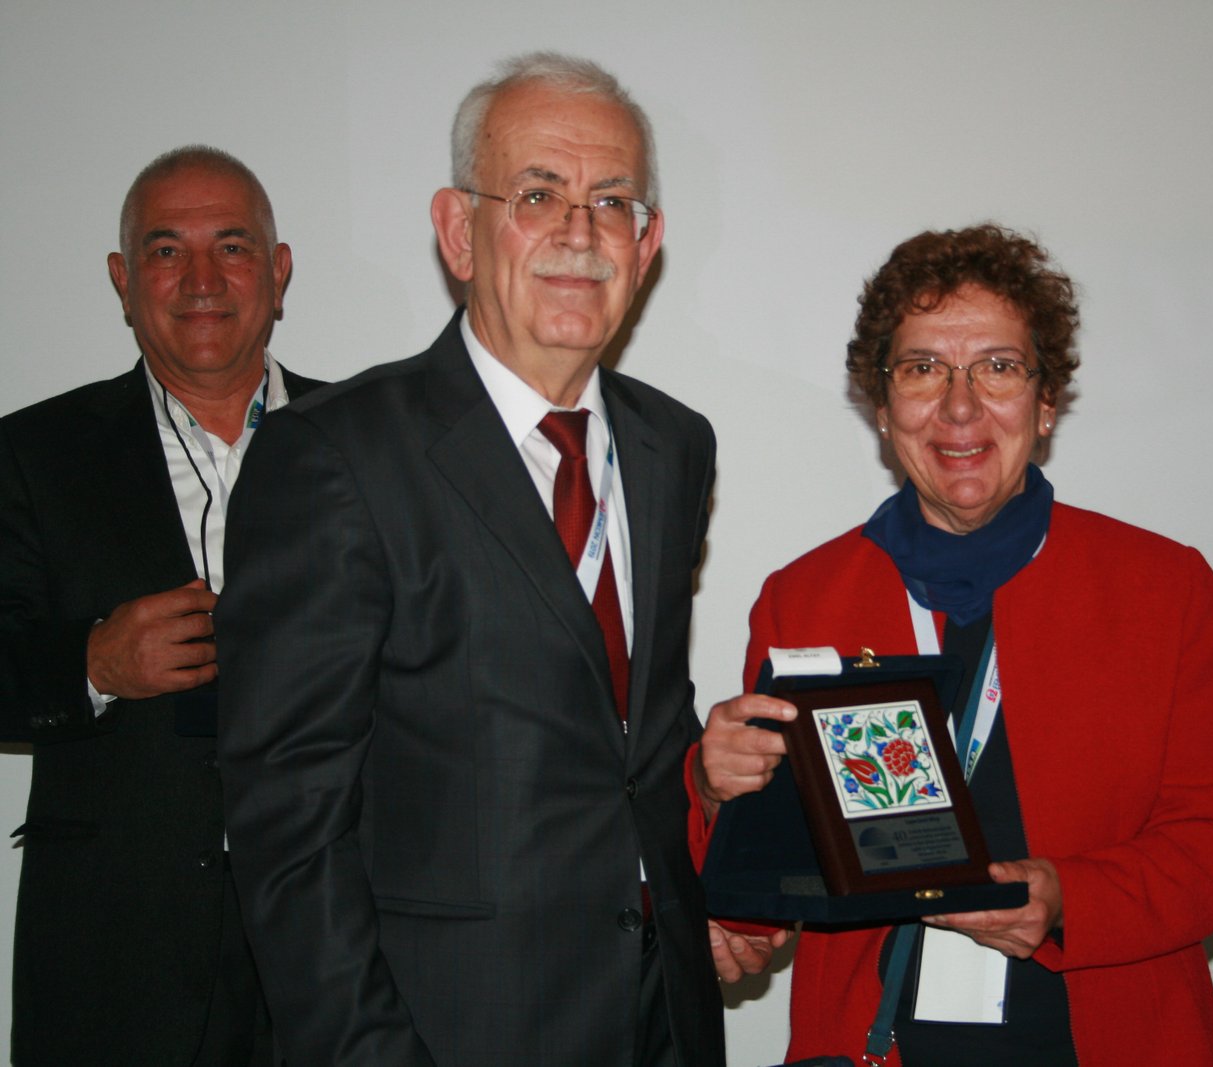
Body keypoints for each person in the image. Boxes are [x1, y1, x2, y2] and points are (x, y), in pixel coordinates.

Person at [216, 53, 772, 1067]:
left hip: (664, 1019)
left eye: (612, 202)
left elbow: (628, 733)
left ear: (647, 243)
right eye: (537, 194)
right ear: (456, 230)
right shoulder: (334, 454)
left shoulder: (674, 445)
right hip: (449, 1029)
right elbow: (290, 831)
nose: (579, 233)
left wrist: (700, 877)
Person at [696, 225, 1213, 1065]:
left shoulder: (1164, 588)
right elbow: (773, 869)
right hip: (875, 1047)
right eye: (923, 368)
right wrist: (714, 792)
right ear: (882, 407)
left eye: (997, 367)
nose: (960, 407)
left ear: (1045, 403)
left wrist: (1070, 897)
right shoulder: (805, 597)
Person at [0, 145, 318, 1065]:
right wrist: (91, 663)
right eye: (167, 250)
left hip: (337, 945)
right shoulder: (31, 455)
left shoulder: (378, 443)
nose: (203, 279)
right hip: (113, 955)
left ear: (278, 271)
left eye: (233, 247)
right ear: (123, 279)